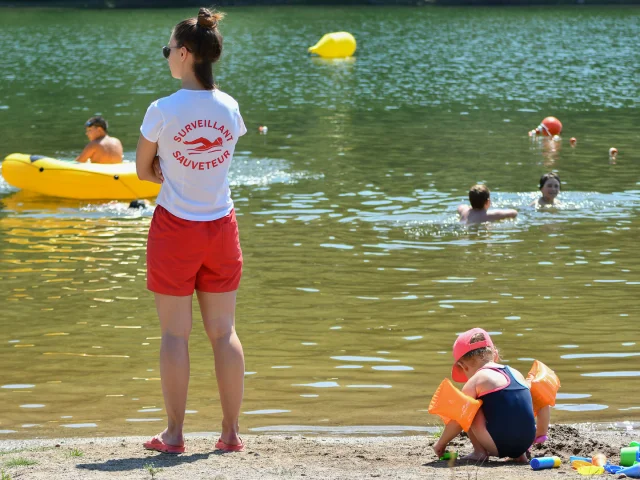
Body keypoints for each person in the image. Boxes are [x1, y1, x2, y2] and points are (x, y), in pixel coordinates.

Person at [136, 7, 247, 455]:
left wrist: (164, 164)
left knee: (174, 335)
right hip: (221, 226)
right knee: (224, 333)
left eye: (168, 50)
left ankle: (175, 435)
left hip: (176, 229)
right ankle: (231, 433)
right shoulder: (230, 106)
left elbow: (143, 171)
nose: (166, 57)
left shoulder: (162, 109)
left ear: (183, 53)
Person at [433, 328, 551, 462]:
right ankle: (520, 456)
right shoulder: (516, 373)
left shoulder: (477, 379)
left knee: (468, 408)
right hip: (526, 442)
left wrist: (441, 443)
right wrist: (540, 433)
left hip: (499, 445)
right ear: (495, 355)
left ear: (463, 366)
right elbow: (542, 401)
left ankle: (479, 452)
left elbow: (458, 420)